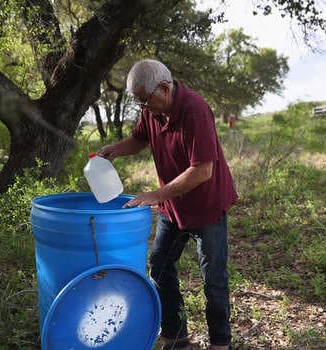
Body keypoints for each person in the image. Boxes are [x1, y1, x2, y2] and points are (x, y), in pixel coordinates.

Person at [97, 59, 238, 350]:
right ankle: (176, 336)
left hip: (206, 206)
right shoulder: (152, 110)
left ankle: (220, 343)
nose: (144, 108)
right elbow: (139, 139)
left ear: (165, 87)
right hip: (173, 208)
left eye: (146, 101)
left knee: (213, 278)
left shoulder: (195, 110)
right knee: (160, 268)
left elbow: (202, 171)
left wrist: (155, 195)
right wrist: (115, 150)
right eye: (139, 103)